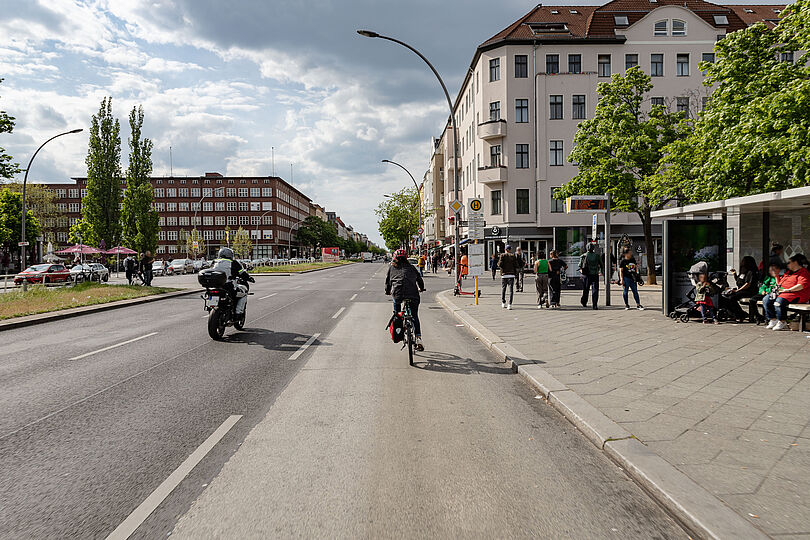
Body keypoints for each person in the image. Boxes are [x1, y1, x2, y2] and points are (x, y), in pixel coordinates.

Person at [385, 249, 426, 350]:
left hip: (397, 295)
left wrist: (387, 291)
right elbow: (420, 280)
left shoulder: (391, 268)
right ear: (406, 258)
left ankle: (399, 328)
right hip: (413, 295)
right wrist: (421, 288)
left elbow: (388, 283)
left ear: (394, 258)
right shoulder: (411, 268)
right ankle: (418, 338)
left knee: (397, 314)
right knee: (414, 316)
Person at [763, 254, 810, 331]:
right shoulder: (788, 273)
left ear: (795, 262)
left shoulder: (803, 272)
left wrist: (788, 290)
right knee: (766, 299)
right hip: (783, 293)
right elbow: (779, 284)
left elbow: (801, 285)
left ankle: (782, 321)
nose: (787, 264)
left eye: (789, 262)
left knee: (779, 302)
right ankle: (773, 319)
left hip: (796, 294)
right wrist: (776, 277)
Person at [210, 247, 255, 315]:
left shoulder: (214, 262)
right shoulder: (233, 263)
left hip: (215, 286)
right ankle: (238, 312)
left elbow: (210, 271)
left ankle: (211, 307)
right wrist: (249, 278)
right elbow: (242, 273)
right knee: (243, 293)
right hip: (229, 287)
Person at [721, 256, 759, 322]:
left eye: (743, 261)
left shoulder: (751, 272)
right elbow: (739, 281)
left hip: (749, 291)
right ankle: (736, 313)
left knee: (732, 298)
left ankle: (740, 314)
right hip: (741, 290)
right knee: (725, 296)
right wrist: (734, 274)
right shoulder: (743, 271)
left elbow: (747, 284)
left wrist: (738, 290)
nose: (742, 262)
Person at [579, 243, 603, 309]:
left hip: (586, 275)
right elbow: (601, 265)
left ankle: (584, 302)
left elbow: (580, 265)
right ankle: (594, 304)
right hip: (595, 274)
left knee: (586, 289)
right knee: (595, 290)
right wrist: (600, 271)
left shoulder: (583, 256)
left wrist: (581, 271)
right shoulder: (597, 256)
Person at [498, 244, 517, 310]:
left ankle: (503, 302)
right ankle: (510, 304)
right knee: (511, 290)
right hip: (511, 275)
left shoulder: (502, 255)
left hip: (504, 275)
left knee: (504, 289)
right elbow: (516, 265)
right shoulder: (513, 256)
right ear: (510, 250)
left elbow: (500, 264)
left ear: (505, 250)